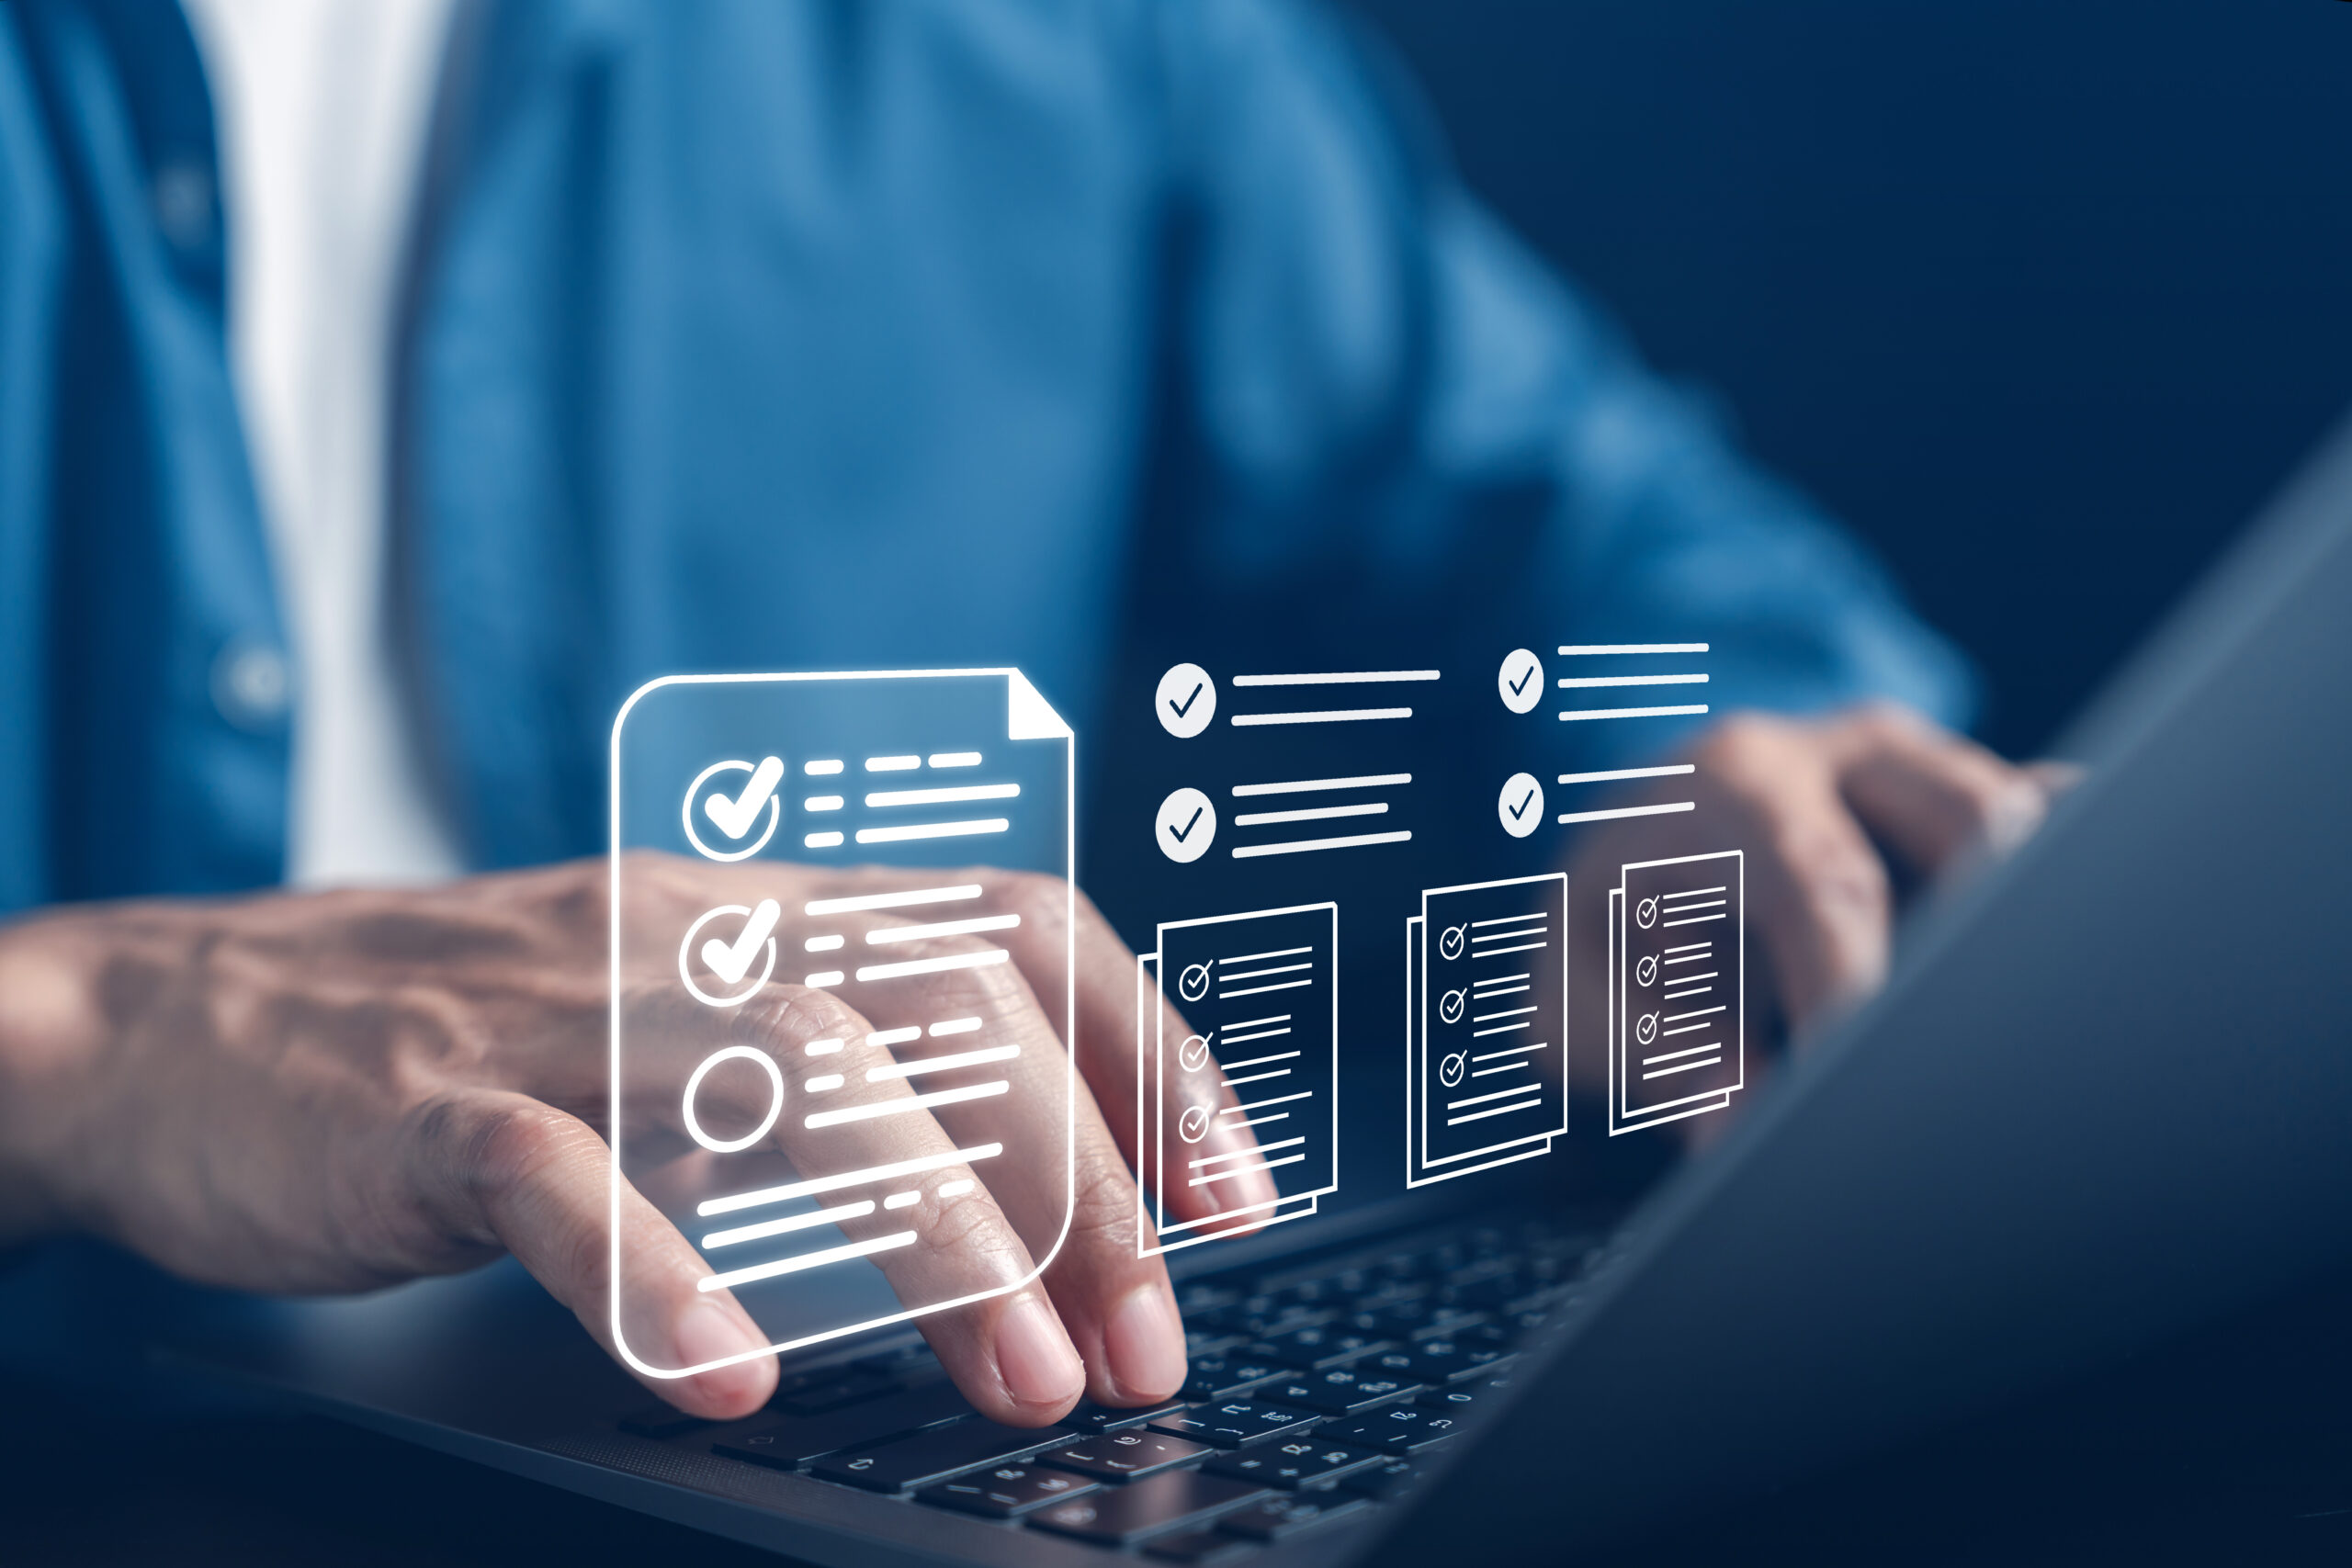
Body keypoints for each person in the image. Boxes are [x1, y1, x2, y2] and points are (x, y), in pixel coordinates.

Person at [0, 0, 2053, 1430]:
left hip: (862, 1407)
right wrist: (81, 1036)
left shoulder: (1081, 27)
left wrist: (1701, 780)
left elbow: (1598, 535)